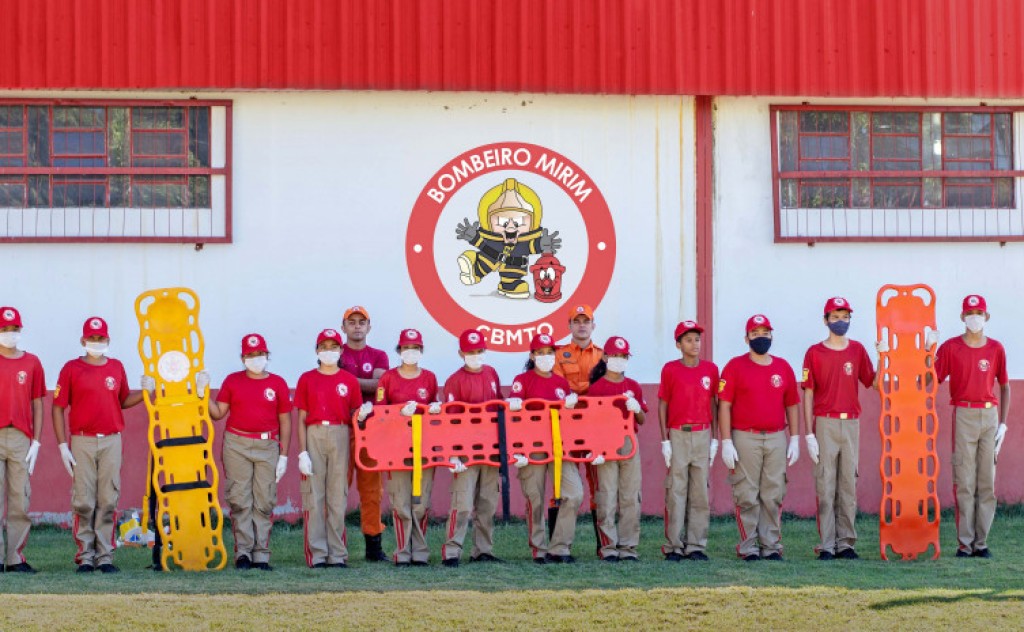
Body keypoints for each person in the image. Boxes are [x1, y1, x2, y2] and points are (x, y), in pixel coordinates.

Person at [52, 316, 146, 573]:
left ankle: (105, 556)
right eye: (92, 338)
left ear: (108, 340)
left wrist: (146, 393)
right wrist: (62, 445)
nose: (97, 342)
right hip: (82, 439)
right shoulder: (71, 368)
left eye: (101, 338)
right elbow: (58, 407)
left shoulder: (116, 367)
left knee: (108, 498)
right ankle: (85, 555)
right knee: (83, 499)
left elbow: (123, 400)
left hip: (112, 440)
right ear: (83, 340)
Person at [718, 314, 801, 561]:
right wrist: (725, 441)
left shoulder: (783, 367)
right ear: (747, 338)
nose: (761, 338)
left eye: (765, 333)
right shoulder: (734, 366)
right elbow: (724, 405)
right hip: (745, 437)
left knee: (773, 493)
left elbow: (792, 405)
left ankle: (771, 546)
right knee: (747, 493)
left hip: (776, 437)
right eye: (756, 334)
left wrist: (795, 438)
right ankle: (748, 547)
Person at [935, 294, 1011, 559]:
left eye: (979, 312)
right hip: (964, 413)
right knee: (964, 482)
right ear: (962, 317)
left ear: (986, 317)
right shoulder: (950, 347)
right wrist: (926, 351)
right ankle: (965, 544)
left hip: (989, 417)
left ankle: (982, 543)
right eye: (970, 313)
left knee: (986, 483)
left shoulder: (996, 348)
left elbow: (1004, 386)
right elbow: (932, 379)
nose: (974, 317)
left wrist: (1003, 423)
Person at [801, 297, 876, 561]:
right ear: (826, 320)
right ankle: (827, 544)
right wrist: (809, 432)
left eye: (845, 317)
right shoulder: (814, 353)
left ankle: (846, 543)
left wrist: (887, 357)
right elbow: (808, 393)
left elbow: (874, 382)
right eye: (835, 317)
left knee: (848, 484)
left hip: (851, 422)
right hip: (825, 421)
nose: (840, 322)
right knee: (826, 482)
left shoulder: (857, 350)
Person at [209, 333, 292, 571]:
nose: (255, 359)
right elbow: (218, 413)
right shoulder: (233, 381)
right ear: (242, 357)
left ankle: (261, 554)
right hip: (237, 443)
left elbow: (285, 420)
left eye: (260, 354)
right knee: (240, 499)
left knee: (264, 500)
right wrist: (202, 392)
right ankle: (243, 553)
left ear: (267, 355)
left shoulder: (277, 383)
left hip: (267, 445)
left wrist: (284, 455)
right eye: (250, 355)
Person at [294, 328, 370, 569]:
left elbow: (354, 414)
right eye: (324, 347)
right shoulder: (307, 378)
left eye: (334, 347)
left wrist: (362, 415)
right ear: (317, 351)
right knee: (315, 497)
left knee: (338, 496)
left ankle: (337, 554)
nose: (329, 351)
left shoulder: (349, 380)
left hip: (340, 432)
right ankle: (317, 554)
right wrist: (302, 451)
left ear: (341, 350)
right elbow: (301, 417)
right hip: (315, 432)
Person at [510, 333, 584, 563]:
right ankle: (539, 548)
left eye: (549, 352)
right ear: (532, 356)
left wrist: (571, 407)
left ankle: (560, 546)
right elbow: (514, 415)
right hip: (532, 446)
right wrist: (517, 449)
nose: (545, 357)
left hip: (559, 446)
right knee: (536, 498)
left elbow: (569, 420)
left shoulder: (561, 383)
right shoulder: (522, 380)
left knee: (574, 494)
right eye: (540, 353)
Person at [440, 329, 504, 568]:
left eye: (479, 351)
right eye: (470, 352)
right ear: (461, 353)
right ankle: (452, 551)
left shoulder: (492, 373)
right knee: (462, 503)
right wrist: (453, 451)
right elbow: (450, 419)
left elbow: (498, 406)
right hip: (466, 449)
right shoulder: (454, 380)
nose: (475, 355)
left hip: (490, 447)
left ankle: (483, 550)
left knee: (488, 502)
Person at [376, 328, 440, 566]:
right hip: (396, 448)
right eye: (406, 348)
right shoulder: (388, 378)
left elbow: (435, 410)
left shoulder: (430, 378)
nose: (410, 352)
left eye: (415, 348)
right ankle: (402, 552)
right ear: (399, 351)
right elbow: (380, 413)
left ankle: (420, 553)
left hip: (424, 447)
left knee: (421, 502)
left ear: (421, 351)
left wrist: (435, 408)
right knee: (400, 502)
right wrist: (399, 413)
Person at [659, 320, 719, 562]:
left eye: (697, 339)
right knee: (676, 490)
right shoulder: (671, 369)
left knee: (700, 493)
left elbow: (715, 405)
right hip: (678, 433)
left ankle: (695, 544)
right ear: (678, 344)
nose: (694, 344)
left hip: (703, 433)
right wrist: (665, 440)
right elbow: (663, 404)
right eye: (688, 340)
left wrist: (715, 439)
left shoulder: (711, 370)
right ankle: (674, 545)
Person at [587, 336, 646, 562]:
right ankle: (608, 547)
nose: (619, 360)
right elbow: (590, 423)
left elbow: (641, 420)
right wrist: (595, 450)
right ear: (605, 357)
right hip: (605, 444)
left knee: (631, 496)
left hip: (629, 442)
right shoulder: (597, 388)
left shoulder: (633, 386)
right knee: (607, 496)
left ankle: (628, 546)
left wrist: (636, 407)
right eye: (615, 356)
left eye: (623, 356)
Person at [339, 305, 390, 562]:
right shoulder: (335, 353)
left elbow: (380, 384)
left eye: (362, 322)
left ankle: (373, 547)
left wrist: (346, 380)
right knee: (338, 488)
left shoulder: (379, 355)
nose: (357, 326)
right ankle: (335, 547)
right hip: (342, 427)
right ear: (343, 326)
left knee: (372, 491)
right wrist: (360, 382)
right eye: (352, 322)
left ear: (369, 327)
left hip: (370, 429)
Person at [0, 307, 44, 573]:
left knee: (20, 499)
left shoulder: (32, 362)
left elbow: (38, 402)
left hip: (20, 437)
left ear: (20, 330)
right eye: (4, 330)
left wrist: (36, 441)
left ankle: (15, 558)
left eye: (13, 329)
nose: (9, 334)